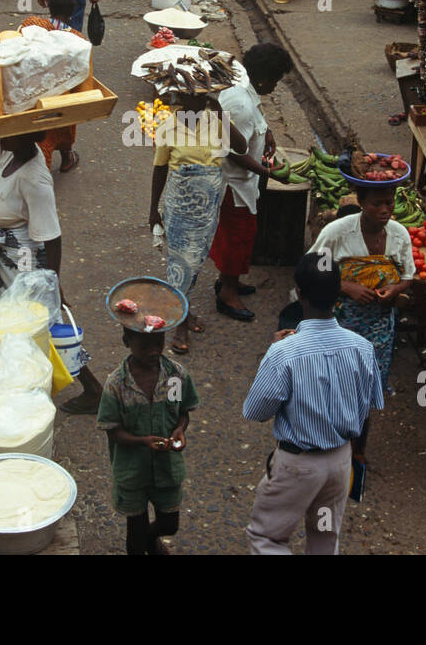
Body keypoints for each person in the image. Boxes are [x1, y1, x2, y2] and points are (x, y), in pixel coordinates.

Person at [242, 253, 383, 555]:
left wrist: (274, 351)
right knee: (323, 538)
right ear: (337, 296)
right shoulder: (363, 348)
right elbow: (365, 410)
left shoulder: (284, 352)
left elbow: (255, 411)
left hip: (299, 467)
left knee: (268, 538)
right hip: (339, 464)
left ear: (300, 294)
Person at [0, 130, 105, 413]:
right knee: (11, 320)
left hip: (23, 259)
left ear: (27, 136)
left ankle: (92, 388)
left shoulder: (35, 178)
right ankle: (15, 378)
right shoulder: (9, 152)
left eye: (9, 128)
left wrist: (52, 284)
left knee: (36, 323)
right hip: (3, 255)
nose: (2, 132)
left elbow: (52, 237)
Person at [97, 290, 199, 555]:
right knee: (136, 526)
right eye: (144, 345)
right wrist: (142, 441)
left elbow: (182, 411)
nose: (154, 351)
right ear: (126, 342)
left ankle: (149, 540)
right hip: (133, 471)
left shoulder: (175, 376)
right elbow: (113, 431)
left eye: (159, 342)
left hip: (167, 468)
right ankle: (142, 544)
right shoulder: (116, 384)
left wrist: (179, 430)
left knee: (169, 524)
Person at [148, 89, 245, 351]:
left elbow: (241, 146)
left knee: (197, 260)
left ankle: (184, 309)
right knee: (181, 262)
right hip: (180, 205)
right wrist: (153, 210)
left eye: (204, 97)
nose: (199, 102)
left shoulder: (216, 120)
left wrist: (220, 111)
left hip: (208, 207)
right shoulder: (168, 126)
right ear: (181, 98)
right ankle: (179, 324)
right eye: (193, 97)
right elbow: (160, 168)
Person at [211, 42, 295, 320]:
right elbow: (232, 151)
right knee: (238, 238)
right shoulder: (240, 103)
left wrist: (267, 132)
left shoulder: (243, 87)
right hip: (235, 183)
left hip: (242, 182)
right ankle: (228, 294)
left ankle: (230, 280)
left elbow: (254, 116)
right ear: (263, 78)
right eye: (276, 80)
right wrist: (266, 172)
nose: (275, 86)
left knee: (239, 236)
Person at [308, 184, 416, 388]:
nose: (385, 210)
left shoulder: (399, 235)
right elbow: (315, 270)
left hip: (381, 323)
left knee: (368, 380)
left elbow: (408, 276)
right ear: (362, 203)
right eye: (376, 204)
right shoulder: (337, 233)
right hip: (338, 320)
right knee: (337, 381)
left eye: (389, 202)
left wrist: (395, 289)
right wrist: (346, 287)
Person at [21, 0, 84, 173]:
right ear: (71, 14)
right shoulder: (77, 38)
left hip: (30, 91)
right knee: (62, 128)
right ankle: (65, 158)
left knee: (36, 132)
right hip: (60, 98)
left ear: (49, 8)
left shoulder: (31, 24)